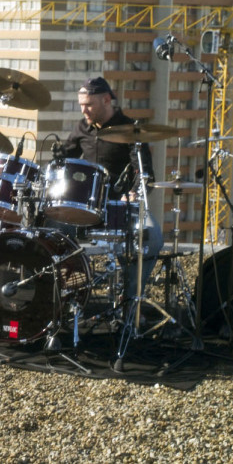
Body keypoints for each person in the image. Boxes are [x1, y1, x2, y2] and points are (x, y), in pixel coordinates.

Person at [62, 77, 163, 301]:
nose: (84, 110)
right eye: (81, 105)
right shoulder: (82, 128)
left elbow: (146, 174)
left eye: (88, 104)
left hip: (119, 206)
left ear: (106, 100)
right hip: (85, 205)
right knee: (49, 229)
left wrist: (134, 194)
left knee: (153, 238)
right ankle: (70, 296)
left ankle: (130, 300)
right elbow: (62, 162)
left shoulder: (130, 131)